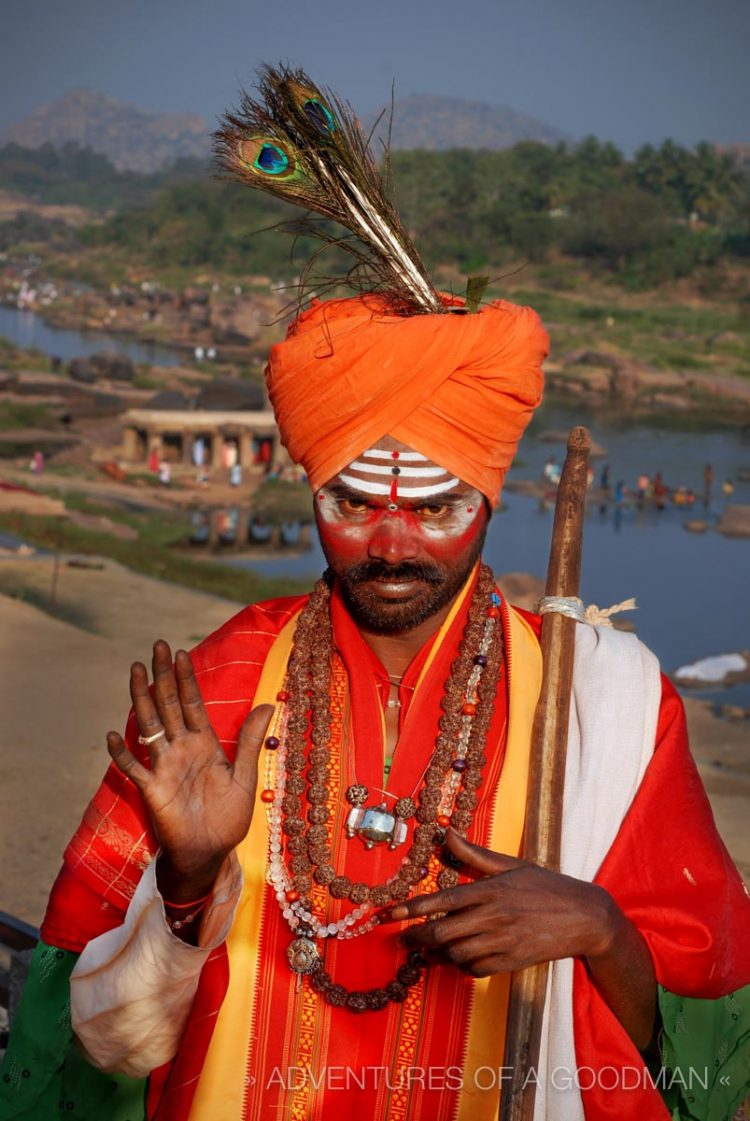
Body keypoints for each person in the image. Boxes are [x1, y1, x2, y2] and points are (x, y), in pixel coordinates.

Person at [2, 67, 749, 1121]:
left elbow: (703, 1059)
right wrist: (184, 881)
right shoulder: (220, 683)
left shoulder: (610, 707)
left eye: (435, 507)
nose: (392, 541)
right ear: (310, 485)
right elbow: (83, 1044)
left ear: (492, 499)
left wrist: (598, 928)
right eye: (355, 501)